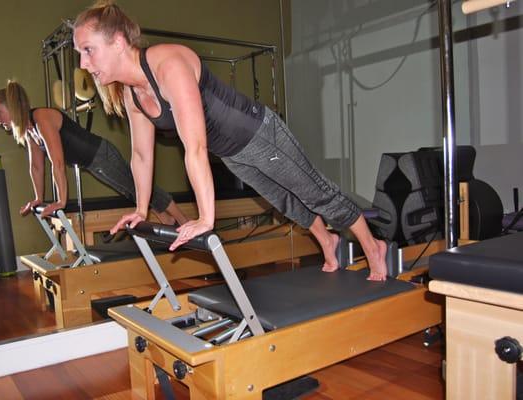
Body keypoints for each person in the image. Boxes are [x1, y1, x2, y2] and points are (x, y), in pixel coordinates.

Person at [72, 2, 388, 280]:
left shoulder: (168, 65)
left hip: (258, 132)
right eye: (80, 54)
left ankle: (372, 245)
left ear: (117, 41)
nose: (84, 65)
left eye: (88, 50)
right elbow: (141, 155)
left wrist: (206, 218)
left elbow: (194, 147)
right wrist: (141, 209)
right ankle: (327, 241)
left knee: (313, 191)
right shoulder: (132, 94)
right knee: (284, 201)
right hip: (232, 153)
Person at [0, 80, 187, 225]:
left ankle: (182, 220)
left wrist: (61, 201)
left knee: (137, 188)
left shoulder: (41, 117)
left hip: (101, 155)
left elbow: (56, 163)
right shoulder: (29, 130)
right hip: (93, 162)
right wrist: (38, 198)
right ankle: (167, 218)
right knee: (133, 190)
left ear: (12, 107)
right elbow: (36, 166)